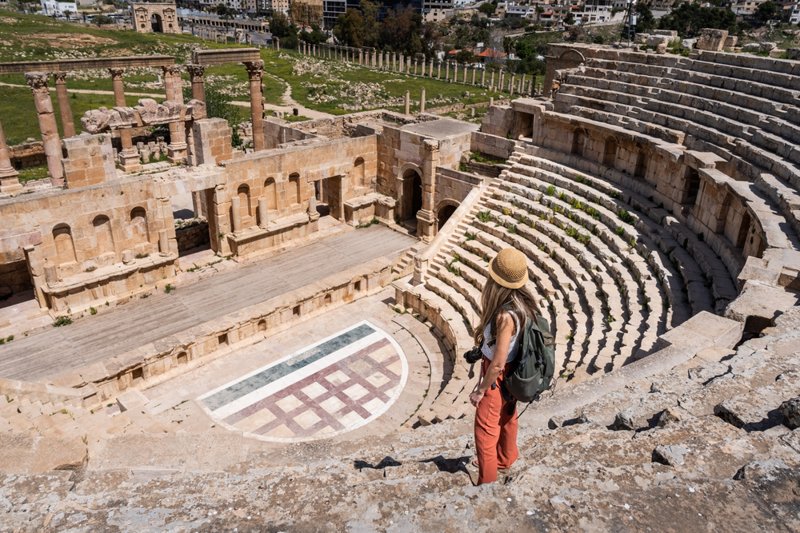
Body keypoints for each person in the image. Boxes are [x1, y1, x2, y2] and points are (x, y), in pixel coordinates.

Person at [468, 247, 539, 485]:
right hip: (514, 373)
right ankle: (506, 458)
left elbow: (497, 363)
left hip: (498, 377)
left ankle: (486, 484)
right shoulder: (523, 305)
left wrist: (480, 390)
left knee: (484, 433)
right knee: (508, 417)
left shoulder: (504, 316)